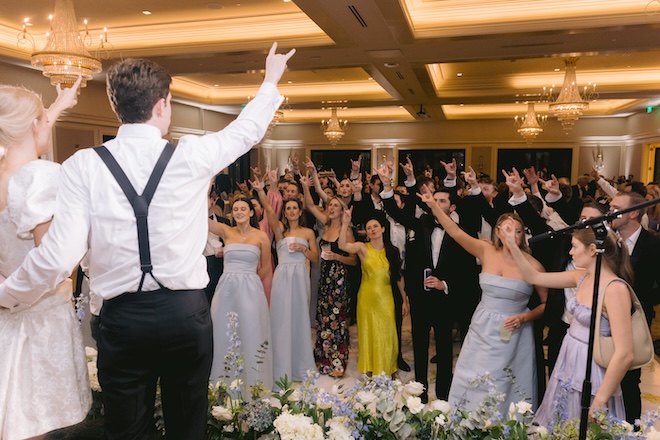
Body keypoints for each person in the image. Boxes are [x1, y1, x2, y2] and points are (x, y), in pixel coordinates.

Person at [0, 43, 294, 439]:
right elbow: (246, 131)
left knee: (127, 431)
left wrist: (6, 295)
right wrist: (270, 80)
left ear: (116, 105)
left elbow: (56, 259)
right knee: (188, 426)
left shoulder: (82, 165)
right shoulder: (192, 156)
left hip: (122, 321)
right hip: (185, 315)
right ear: (163, 104)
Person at [0, 78, 92, 440]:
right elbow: (49, 261)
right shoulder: (41, 177)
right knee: (34, 423)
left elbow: (26, 133)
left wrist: (56, 105)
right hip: (38, 321)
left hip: (6, 321)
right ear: (33, 126)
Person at [419, 187, 547, 412]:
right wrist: (433, 206)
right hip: (482, 325)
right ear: (497, 232)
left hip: (514, 330)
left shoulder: (534, 264)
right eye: (507, 229)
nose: (511, 235)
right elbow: (456, 232)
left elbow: (547, 305)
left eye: (517, 231)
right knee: (473, 374)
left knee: (507, 381)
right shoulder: (486, 251)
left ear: (523, 234)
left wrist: (525, 317)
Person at [504, 224, 633, 424]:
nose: (570, 252)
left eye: (574, 246)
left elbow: (625, 353)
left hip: (591, 365)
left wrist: (600, 398)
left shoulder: (614, 289)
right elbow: (534, 277)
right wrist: (512, 245)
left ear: (592, 250)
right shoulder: (581, 277)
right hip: (569, 357)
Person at [252, 173, 318, 385]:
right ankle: (280, 366)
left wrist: (302, 249)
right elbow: (270, 210)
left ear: (300, 211)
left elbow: (316, 258)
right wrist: (262, 190)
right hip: (282, 277)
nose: (290, 211)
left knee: (299, 318)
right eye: (287, 208)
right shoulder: (279, 231)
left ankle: (300, 365)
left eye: (294, 208)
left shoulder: (308, 233)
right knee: (281, 320)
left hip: (300, 276)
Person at [208, 196, 274, 392]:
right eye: (235, 209)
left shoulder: (261, 236)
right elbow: (202, 219)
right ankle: (223, 382)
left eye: (243, 208)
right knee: (223, 330)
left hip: (251, 289)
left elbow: (266, 266)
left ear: (251, 212)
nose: (239, 212)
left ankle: (252, 383)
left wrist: (250, 279)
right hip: (226, 289)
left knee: (251, 329)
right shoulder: (226, 231)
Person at [338, 207, 409, 377]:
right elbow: (342, 245)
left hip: (386, 298)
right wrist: (345, 223)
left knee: (387, 333)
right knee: (368, 333)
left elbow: (399, 277)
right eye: (369, 228)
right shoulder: (363, 248)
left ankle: (389, 369)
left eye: (375, 226)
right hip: (366, 299)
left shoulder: (392, 251)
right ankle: (370, 369)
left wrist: (405, 300)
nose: (372, 230)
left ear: (383, 229)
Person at [301, 175, 358, 377]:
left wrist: (337, 257)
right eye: (330, 205)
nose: (332, 208)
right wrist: (306, 186)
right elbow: (309, 205)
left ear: (343, 210)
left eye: (336, 205)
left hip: (340, 281)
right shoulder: (325, 226)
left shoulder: (346, 231)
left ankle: (338, 363)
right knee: (324, 320)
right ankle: (323, 360)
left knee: (338, 322)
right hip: (324, 279)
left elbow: (353, 259)